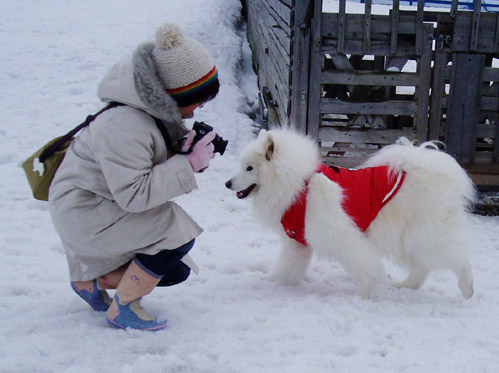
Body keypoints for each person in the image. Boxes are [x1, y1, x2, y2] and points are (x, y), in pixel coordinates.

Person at [48, 23, 220, 331]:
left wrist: (184, 151)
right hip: (85, 212)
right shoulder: (124, 124)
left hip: (100, 205)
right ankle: (124, 308)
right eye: (200, 99)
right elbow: (134, 194)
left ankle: (90, 281)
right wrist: (186, 164)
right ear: (175, 95)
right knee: (175, 233)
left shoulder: (148, 111)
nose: (201, 108)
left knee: (175, 269)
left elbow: (142, 163)